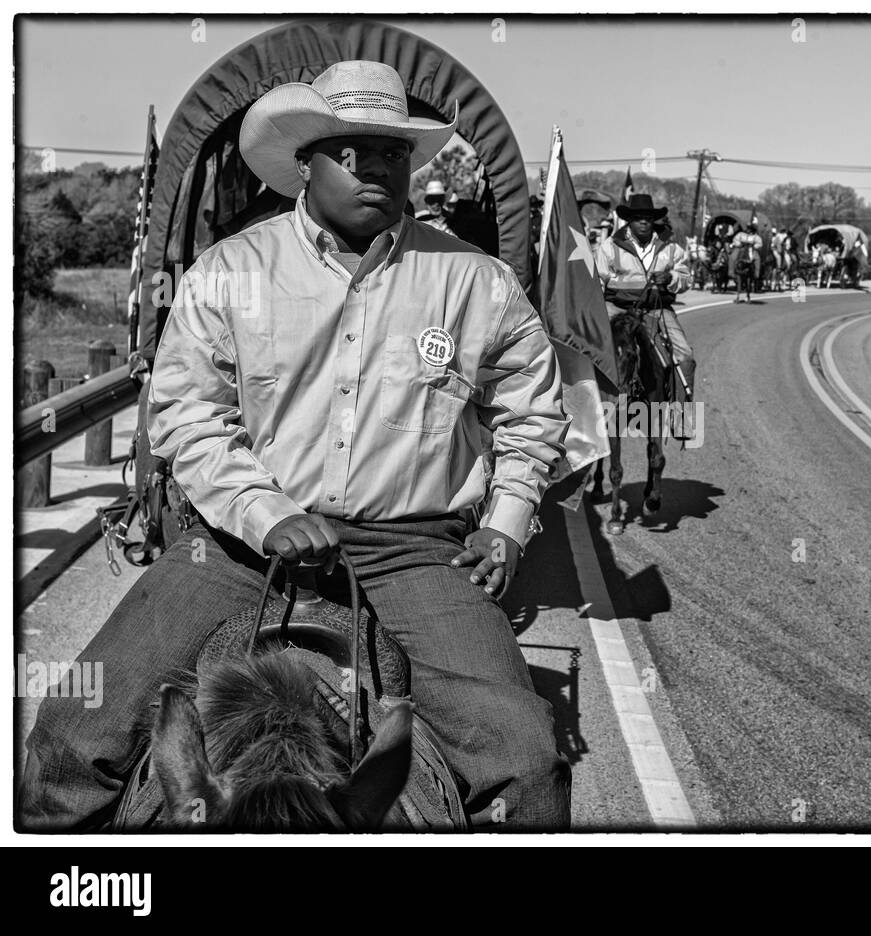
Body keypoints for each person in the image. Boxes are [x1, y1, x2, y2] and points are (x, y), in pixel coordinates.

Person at [20, 60, 572, 831]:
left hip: (413, 548)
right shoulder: (230, 272)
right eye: (349, 152)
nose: (374, 166)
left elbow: (532, 414)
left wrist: (505, 523)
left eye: (392, 152)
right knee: (72, 737)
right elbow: (186, 412)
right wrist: (265, 510)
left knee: (526, 759)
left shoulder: (473, 283)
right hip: (238, 548)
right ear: (304, 164)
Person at [595, 192, 695, 402]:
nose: (643, 222)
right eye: (637, 218)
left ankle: (682, 418)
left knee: (685, 357)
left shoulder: (670, 248)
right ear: (628, 220)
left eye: (647, 218)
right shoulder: (609, 247)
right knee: (592, 349)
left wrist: (670, 277)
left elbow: (686, 279)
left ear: (653, 221)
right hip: (616, 308)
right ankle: (590, 407)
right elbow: (597, 283)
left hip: (657, 309)